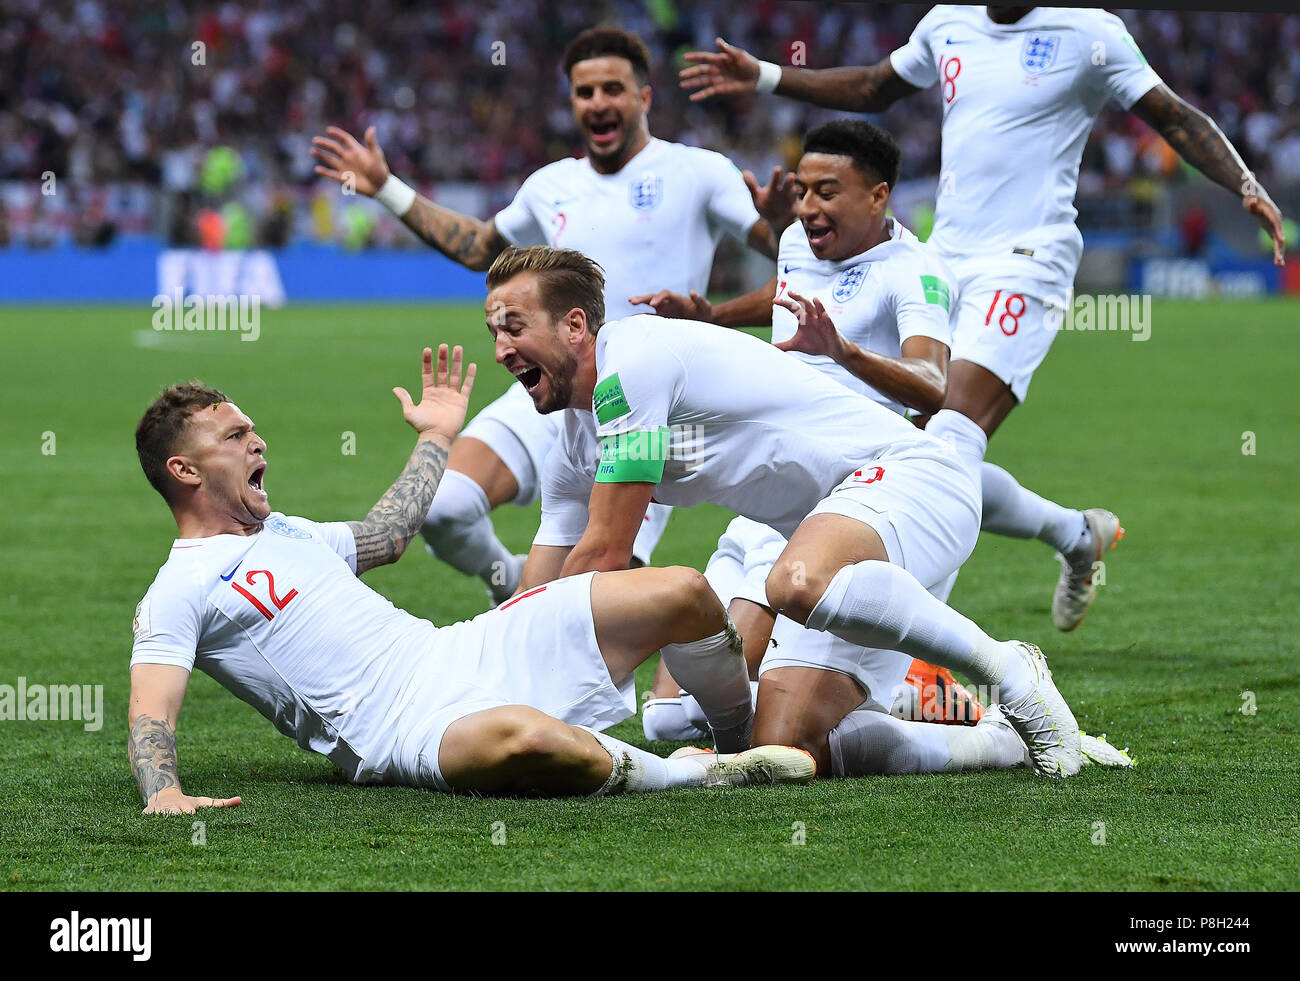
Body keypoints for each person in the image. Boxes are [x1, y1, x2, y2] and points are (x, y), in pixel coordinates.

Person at [680, 5, 1287, 631]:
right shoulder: (949, 22)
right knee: (909, 449)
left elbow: (1172, 116)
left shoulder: (1090, 32)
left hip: (1026, 261)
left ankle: (912, 644)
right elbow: (871, 88)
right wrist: (767, 75)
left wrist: (1244, 182)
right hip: (943, 254)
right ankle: (1075, 535)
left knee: (947, 439)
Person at [126, 345, 814, 815]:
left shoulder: (287, 531)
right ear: (185, 470)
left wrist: (435, 435)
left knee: (683, 592)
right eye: (235, 435)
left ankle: (737, 740)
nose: (259, 441)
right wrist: (163, 791)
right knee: (531, 738)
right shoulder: (178, 588)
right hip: (403, 728)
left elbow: (388, 536)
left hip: (463, 647)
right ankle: (697, 772)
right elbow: (150, 709)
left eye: (253, 429)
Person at [483, 245, 1083, 779]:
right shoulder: (573, 440)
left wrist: (528, 693)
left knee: (795, 583)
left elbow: (604, 554)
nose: (501, 349)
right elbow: (546, 574)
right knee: (786, 743)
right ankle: (998, 745)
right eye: (493, 332)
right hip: (830, 532)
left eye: (514, 327)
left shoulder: (632, 361)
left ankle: (1011, 673)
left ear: (576, 325)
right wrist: (500, 685)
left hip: (910, 478)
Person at [310, 26, 785, 605]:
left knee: (596, 590)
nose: (598, 102)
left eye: (614, 88)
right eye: (585, 92)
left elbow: (786, 253)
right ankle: (506, 583)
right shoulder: (550, 185)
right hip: (546, 381)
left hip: (642, 404)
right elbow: (479, 247)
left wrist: (782, 228)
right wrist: (387, 188)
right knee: (443, 508)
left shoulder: (700, 171)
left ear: (644, 97)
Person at [629, 118, 981, 740]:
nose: (808, 208)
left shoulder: (915, 272)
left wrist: (845, 352)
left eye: (827, 191)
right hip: (763, 487)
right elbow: (784, 287)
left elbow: (932, 382)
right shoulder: (797, 239)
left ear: (878, 196)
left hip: (837, 495)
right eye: (801, 190)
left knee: (726, 723)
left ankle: (918, 694)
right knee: (664, 721)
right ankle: (882, 686)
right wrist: (715, 314)